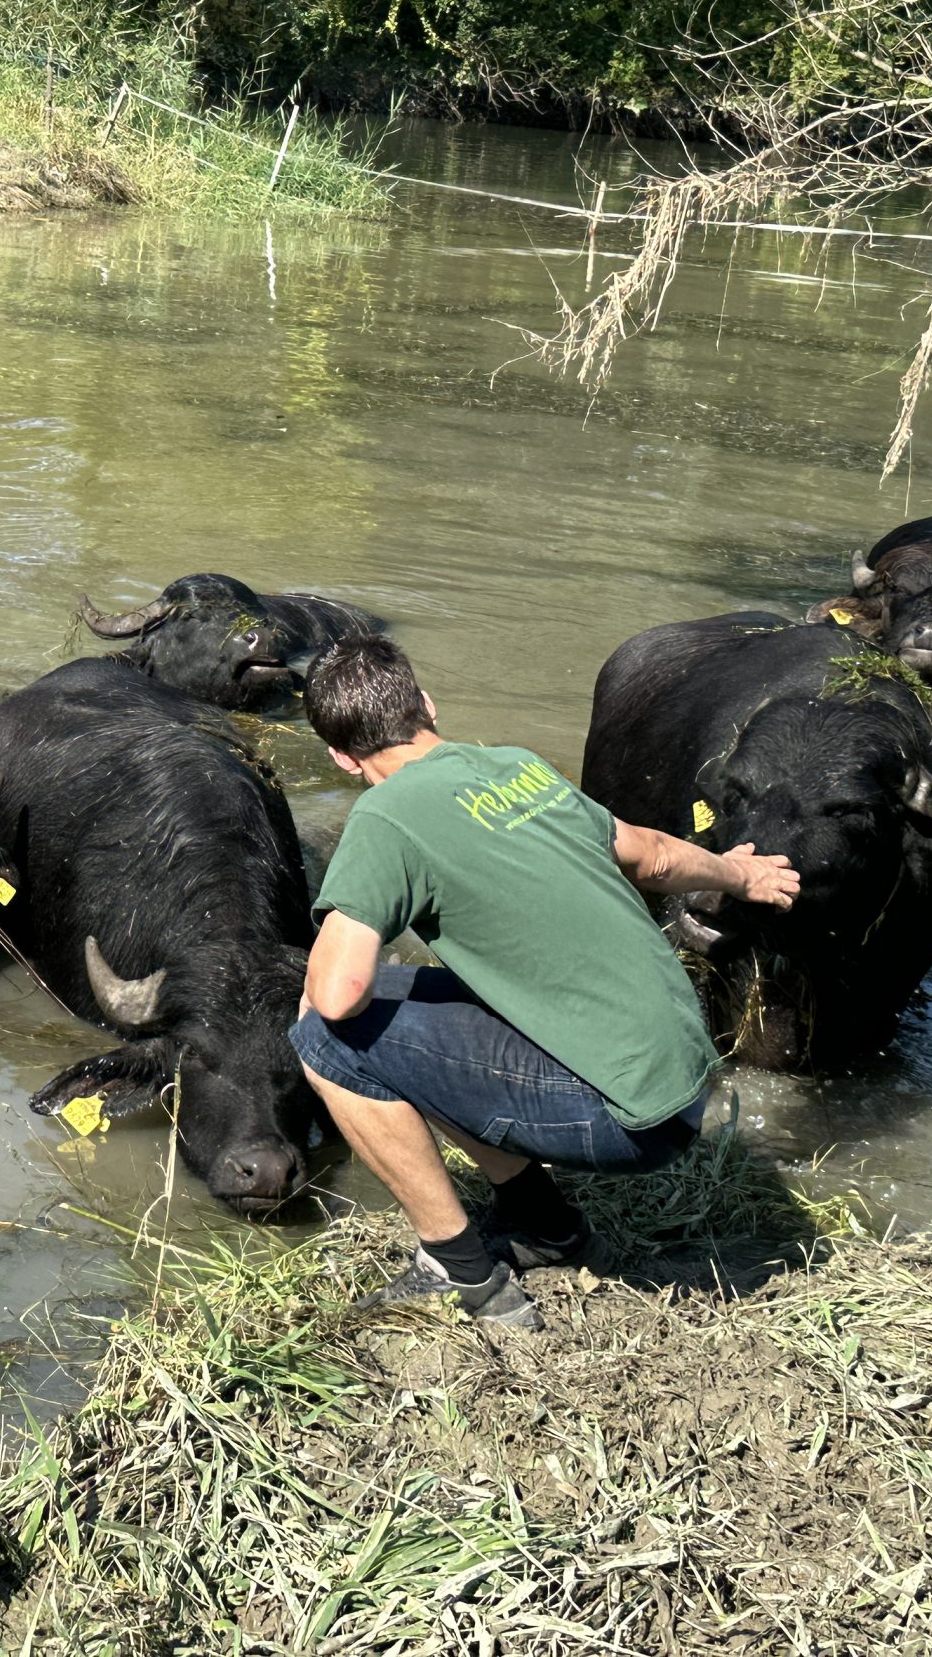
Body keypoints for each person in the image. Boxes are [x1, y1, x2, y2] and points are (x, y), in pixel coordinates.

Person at [290, 635, 800, 1329]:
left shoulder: (383, 818)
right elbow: (648, 855)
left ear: (342, 758)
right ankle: (544, 1223)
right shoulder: (517, 766)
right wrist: (743, 873)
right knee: (402, 999)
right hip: (684, 1081)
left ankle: (462, 1272)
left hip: (629, 1120)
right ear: (427, 706)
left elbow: (337, 994)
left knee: (325, 1036)